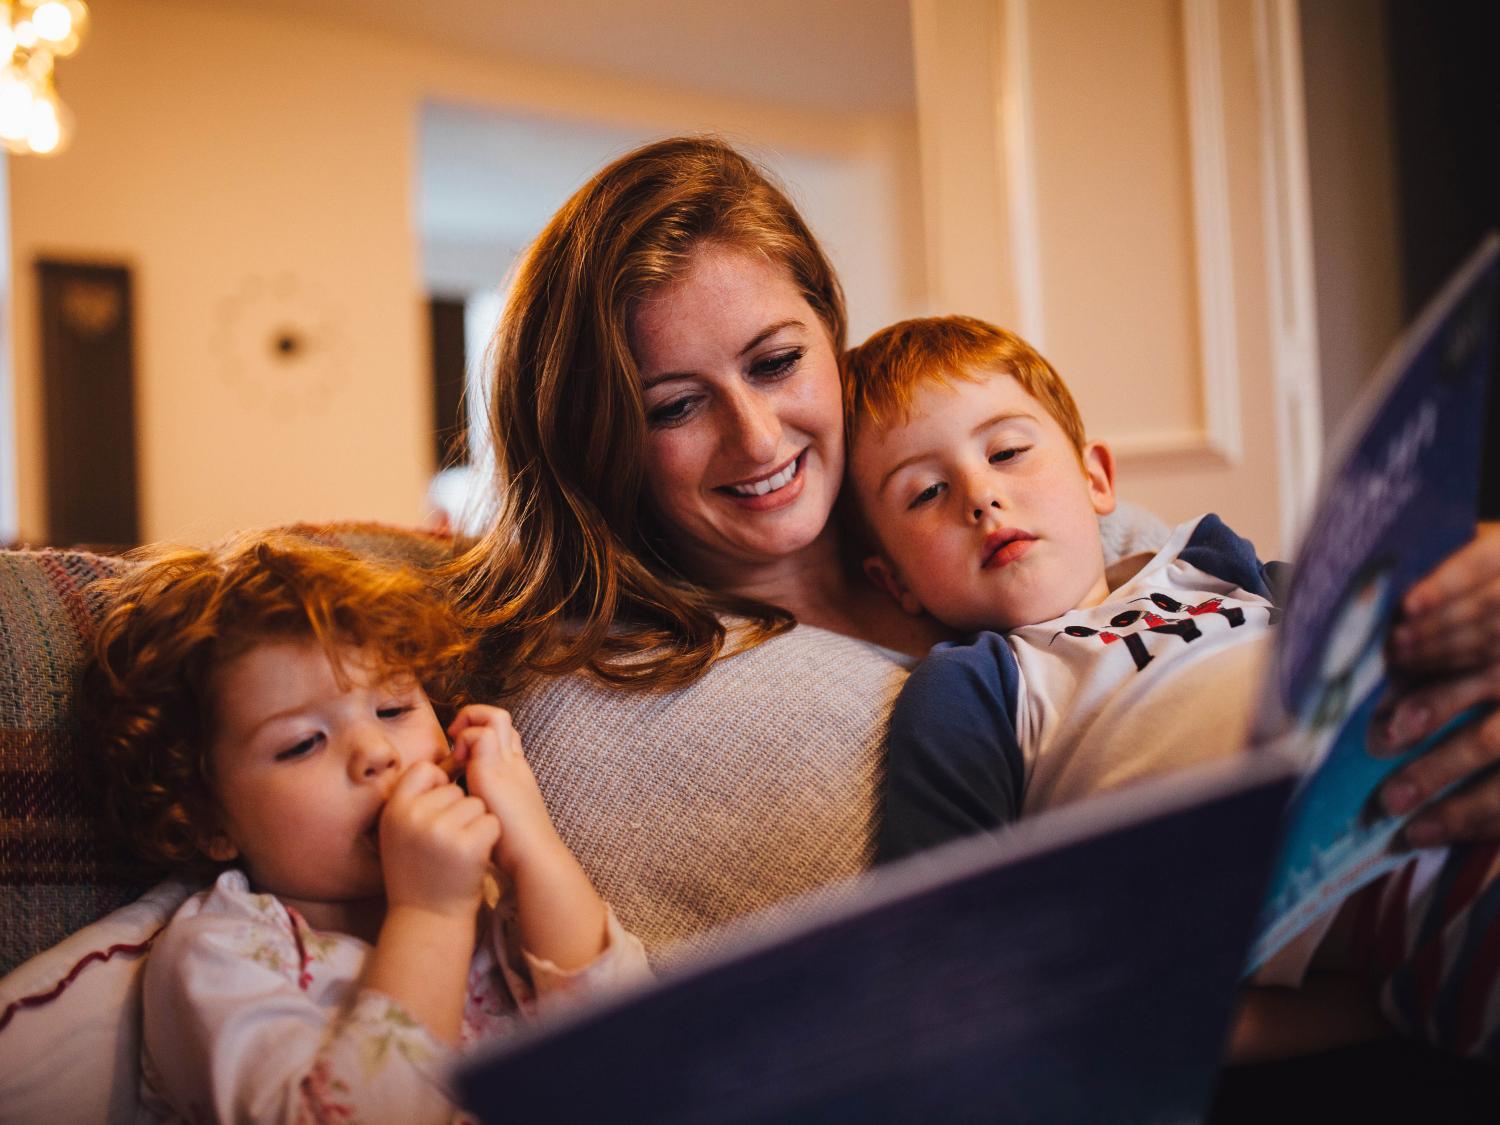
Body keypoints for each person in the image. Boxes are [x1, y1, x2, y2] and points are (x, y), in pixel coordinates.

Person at [455, 134, 1500, 1023]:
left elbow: (1291, 626)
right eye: (674, 406)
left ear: (832, 334)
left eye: (777, 362)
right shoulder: (623, 712)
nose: (758, 434)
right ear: (598, 439)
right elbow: (1000, 1007)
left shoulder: (1033, 511)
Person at [841, 313, 1500, 1060]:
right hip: (1388, 890)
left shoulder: (1220, 566)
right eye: (926, 493)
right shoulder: (977, 686)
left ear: (1097, 477)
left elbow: (1400, 622)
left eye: (1009, 451)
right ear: (894, 582)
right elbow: (940, 957)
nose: (981, 496)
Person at [83, 533, 647, 1122]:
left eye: (394, 709)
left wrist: (535, 847)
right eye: (303, 743)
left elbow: (640, 1058)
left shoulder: (496, 899)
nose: (376, 752)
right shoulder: (217, 955)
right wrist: (430, 915)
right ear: (207, 818)